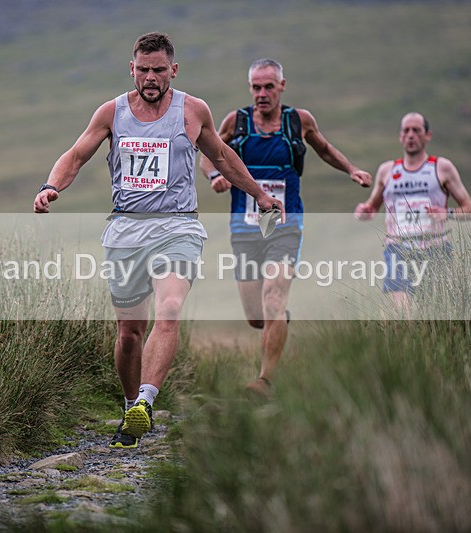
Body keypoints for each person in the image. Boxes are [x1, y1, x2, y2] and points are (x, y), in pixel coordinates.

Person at [34, 33, 282, 448]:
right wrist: (51, 186)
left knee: (168, 310)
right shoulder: (112, 112)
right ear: (132, 69)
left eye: (159, 70)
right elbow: (76, 155)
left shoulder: (193, 110)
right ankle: (130, 405)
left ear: (173, 71)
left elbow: (222, 158)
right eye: (143, 70)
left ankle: (146, 401)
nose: (151, 78)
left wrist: (258, 194)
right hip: (126, 230)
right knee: (130, 331)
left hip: (177, 227)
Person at [200, 58, 371, 397]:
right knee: (255, 315)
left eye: (268, 86)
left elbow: (323, 148)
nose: (262, 94)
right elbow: (208, 152)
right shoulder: (237, 122)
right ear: (250, 88)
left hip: (285, 225)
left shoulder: (298, 121)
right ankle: (277, 324)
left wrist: (351, 169)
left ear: (282, 85)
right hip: (245, 229)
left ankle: (264, 380)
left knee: (273, 299)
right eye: (256, 87)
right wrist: (215, 175)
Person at [354, 112, 471, 313]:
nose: (411, 135)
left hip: (434, 249)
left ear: (427, 135)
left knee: (435, 312)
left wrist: (448, 213)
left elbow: (469, 209)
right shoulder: (387, 170)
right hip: (398, 249)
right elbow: (372, 207)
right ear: (400, 137)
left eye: (416, 131)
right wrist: (364, 211)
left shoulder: (441, 168)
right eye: (406, 131)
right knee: (403, 313)